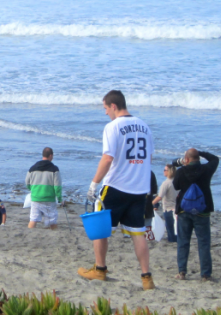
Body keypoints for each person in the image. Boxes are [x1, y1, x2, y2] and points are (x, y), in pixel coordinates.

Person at [77, 90, 155, 291]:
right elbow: (149, 159)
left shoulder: (112, 127)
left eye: (105, 108)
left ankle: (100, 269)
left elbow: (108, 158)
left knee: (100, 228)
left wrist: (94, 183)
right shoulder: (145, 127)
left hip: (116, 185)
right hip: (139, 189)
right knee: (138, 233)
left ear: (113, 106)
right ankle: (146, 277)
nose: (105, 113)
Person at [172, 148, 220, 281]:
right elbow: (215, 159)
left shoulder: (182, 170)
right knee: (203, 243)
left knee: (183, 242)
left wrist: (183, 165)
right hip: (202, 210)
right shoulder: (206, 169)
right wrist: (201, 152)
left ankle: (182, 272)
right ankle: (205, 274)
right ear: (198, 158)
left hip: (184, 210)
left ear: (186, 159)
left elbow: (176, 186)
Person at [25, 147, 62, 229]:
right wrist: (59, 199)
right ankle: (54, 234)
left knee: (33, 219)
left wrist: (34, 190)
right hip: (48, 199)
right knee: (52, 220)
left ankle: (29, 233)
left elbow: (27, 183)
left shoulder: (32, 168)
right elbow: (57, 187)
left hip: (35, 198)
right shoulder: (54, 169)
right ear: (51, 156)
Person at [152, 165, 178, 243]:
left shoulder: (166, 183)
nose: (163, 171)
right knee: (176, 228)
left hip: (169, 209)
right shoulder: (178, 182)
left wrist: (151, 204)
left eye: (165, 170)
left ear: (169, 171)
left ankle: (172, 241)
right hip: (177, 208)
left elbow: (159, 197)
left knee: (170, 228)